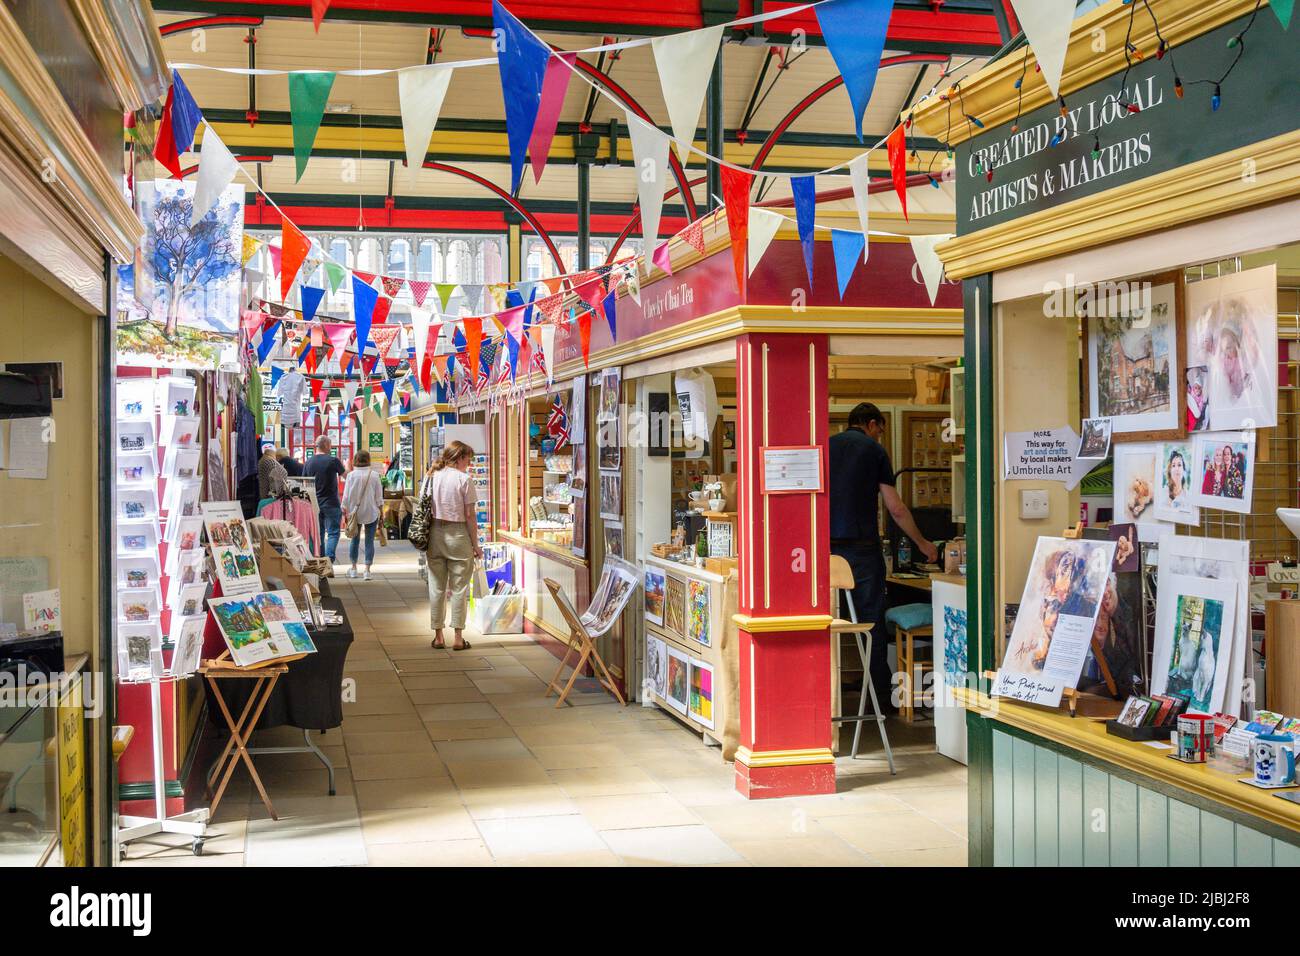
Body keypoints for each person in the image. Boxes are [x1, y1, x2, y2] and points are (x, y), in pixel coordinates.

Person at [829, 402, 938, 713]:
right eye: (879, 429)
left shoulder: (825, 446)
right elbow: (896, 508)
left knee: (826, 621)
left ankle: (830, 696)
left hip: (824, 550)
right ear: (873, 424)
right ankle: (879, 700)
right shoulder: (874, 451)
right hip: (861, 551)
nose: (879, 435)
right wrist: (922, 544)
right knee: (871, 621)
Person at [425, 440, 482, 651]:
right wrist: (475, 545)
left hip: (435, 534)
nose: (469, 463)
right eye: (468, 459)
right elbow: (470, 516)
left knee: (437, 587)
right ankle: (458, 637)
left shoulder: (432, 477)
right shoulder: (465, 479)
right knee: (459, 589)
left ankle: (438, 636)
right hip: (458, 535)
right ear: (459, 458)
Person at [342, 450, 384, 581]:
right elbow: (379, 497)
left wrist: (345, 511)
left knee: (354, 540)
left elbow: (346, 496)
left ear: (355, 460)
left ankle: (354, 568)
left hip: (355, 513)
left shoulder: (351, 476)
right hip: (371, 512)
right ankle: (367, 570)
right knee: (369, 541)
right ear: (368, 460)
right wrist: (381, 512)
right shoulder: (375, 475)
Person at [305, 435, 347, 561]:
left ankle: (321, 560)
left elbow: (304, 484)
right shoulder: (333, 460)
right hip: (331, 502)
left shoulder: (308, 462)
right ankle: (329, 559)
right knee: (333, 532)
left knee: (319, 533)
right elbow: (346, 477)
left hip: (314, 503)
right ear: (327, 445)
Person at [256, 443, 288, 511]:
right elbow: (275, 484)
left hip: (265, 494)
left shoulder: (264, 460)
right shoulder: (270, 462)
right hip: (271, 498)